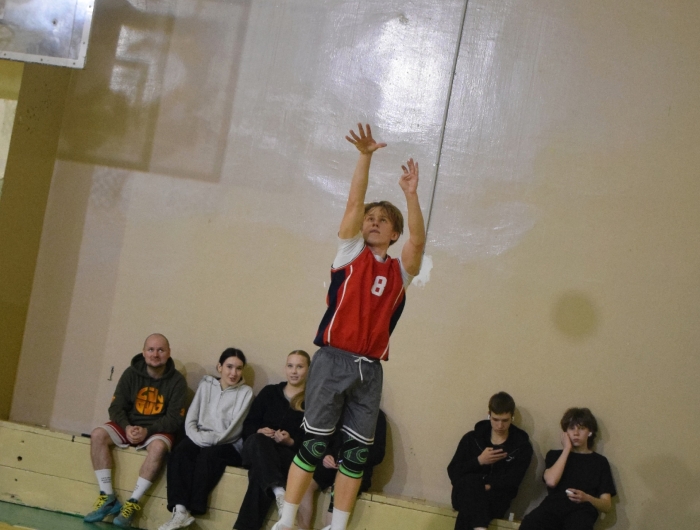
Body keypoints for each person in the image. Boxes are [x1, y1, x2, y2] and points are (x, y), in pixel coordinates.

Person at [274, 123, 426, 530]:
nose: (373, 222)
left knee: (356, 455)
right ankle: (286, 520)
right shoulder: (349, 252)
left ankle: (338, 526)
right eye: (369, 218)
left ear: (394, 232)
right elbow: (354, 200)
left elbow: (418, 243)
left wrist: (411, 195)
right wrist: (365, 157)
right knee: (313, 444)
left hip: (369, 369)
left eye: (382, 220)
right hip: (333, 359)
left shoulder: (400, 273)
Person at [84, 333, 187, 528]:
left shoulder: (177, 381)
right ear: (143, 352)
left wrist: (148, 430)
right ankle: (108, 497)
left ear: (168, 353)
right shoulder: (130, 374)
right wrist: (127, 427)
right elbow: (116, 408)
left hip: (156, 429)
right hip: (129, 425)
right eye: (151, 349)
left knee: (159, 447)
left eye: (160, 350)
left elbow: (175, 419)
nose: (155, 354)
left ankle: (132, 503)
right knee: (98, 434)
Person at [157, 348, 254, 530]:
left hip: (228, 443)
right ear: (219, 367)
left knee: (209, 456)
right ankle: (179, 510)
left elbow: (235, 430)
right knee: (180, 451)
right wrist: (198, 438)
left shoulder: (246, 393)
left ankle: (193, 508)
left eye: (239, 368)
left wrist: (211, 441)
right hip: (199, 436)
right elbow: (191, 419)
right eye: (229, 367)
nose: (233, 373)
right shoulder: (206, 385)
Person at [233, 350, 310, 530]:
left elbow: (312, 440)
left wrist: (291, 442)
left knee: (259, 473)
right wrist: (259, 430)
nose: (294, 371)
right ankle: (278, 490)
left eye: (299, 367)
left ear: (308, 370)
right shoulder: (270, 392)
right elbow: (248, 425)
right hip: (256, 448)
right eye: (290, 366)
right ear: (285, 368)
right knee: (258, 440)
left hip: (286, 456)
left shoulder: (311, 401)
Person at [519, 408, 616, 530]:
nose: (576, 433)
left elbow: (607, 505)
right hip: (553, 508)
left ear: (590, 432)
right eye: (571, 428)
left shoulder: (599, 462)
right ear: (565, 432)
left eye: (581, 428)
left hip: (582, 510)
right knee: (529, 523)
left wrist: (587, 498)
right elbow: (551, 481)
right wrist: (566, 449)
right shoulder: (554, 455)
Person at [447, 392, 533, 530]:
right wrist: (479, 461)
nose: (500, 425)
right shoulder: (472, 438)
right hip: (463, 494)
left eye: (505, 420)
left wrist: (485, 486)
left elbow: (513, 481)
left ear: (512, 417)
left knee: (470, 502)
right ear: (489, 415)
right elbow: (453, 472)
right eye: (495, 419)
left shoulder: (521, 446)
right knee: (470, 488)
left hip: (496, 498)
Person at [297, 410, 387, 530]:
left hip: (357, 469)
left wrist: (352, 460)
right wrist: (325, 455)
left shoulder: (376, 416)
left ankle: (330, 527)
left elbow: (378, 454)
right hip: (332, 465)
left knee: (338, 489)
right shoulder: (337, 409)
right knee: (305, 482)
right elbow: (321, 440)